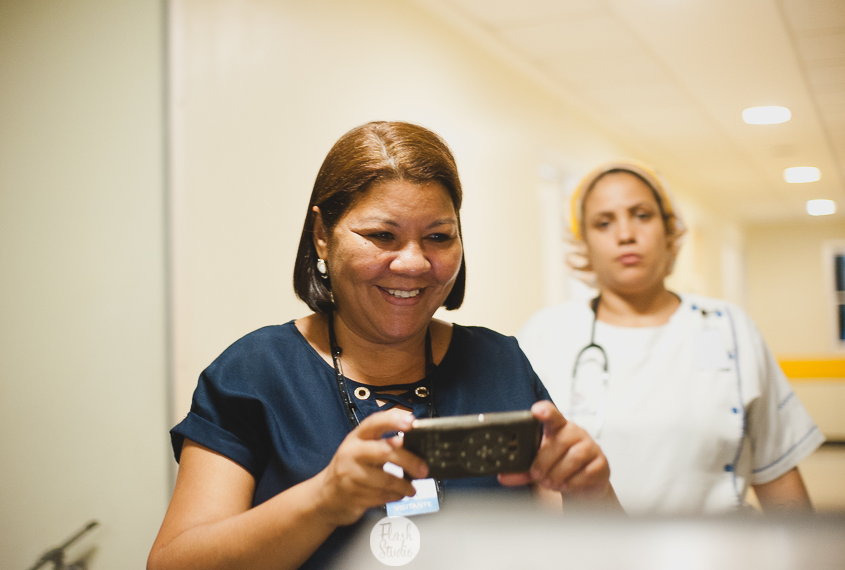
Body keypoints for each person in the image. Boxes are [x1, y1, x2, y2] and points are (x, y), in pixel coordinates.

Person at [147, 121, 620, 570]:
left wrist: (593, 490)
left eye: (438, 237)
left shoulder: (499, 364)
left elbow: (600, 554)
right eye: (381, 236)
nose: (414, 263)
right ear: (322, 236)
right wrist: (325, 499)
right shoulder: (257, 372)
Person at [517, 161, 825, 515]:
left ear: (670, 229)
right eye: (604, 222)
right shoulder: (544, 335)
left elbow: (779, 477)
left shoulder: (729, 328)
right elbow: (533, 485)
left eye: (642, 215)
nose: (625, 234)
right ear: (583, 243)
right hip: (597, 557)